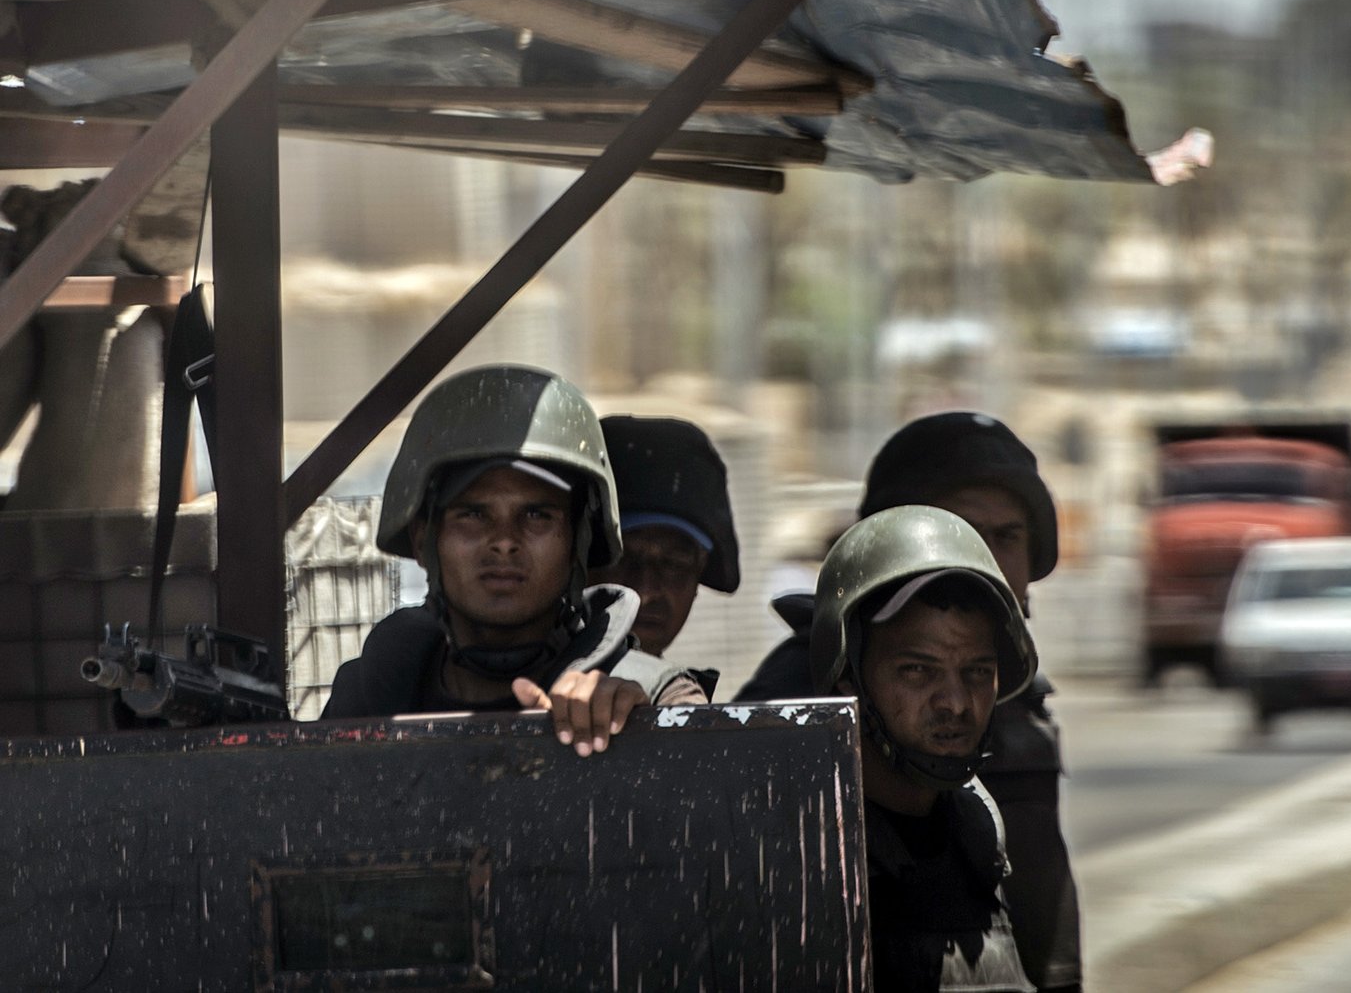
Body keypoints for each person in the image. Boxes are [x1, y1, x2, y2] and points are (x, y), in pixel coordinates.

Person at [737, 412, 1082, 992]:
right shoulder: (798, 748)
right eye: (918, 670)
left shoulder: (994, 776)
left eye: (1007, 536)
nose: (954, 700)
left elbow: (1045, 931)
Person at [322, 365, 706, 752]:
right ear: (424, 540)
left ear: (578, 543)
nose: (504, 541)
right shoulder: (366, 702)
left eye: (537, 515)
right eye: (473, 514)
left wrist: (641, 730)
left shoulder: (654, 695)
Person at [812, 504, 1038, 992]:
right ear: (849, 675)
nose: (956, 703)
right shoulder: (807, 849)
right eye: (918, 670)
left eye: (976, 671)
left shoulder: (979, 830)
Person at [588, 415, 740, 661]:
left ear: (699, 575)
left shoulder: (684, 695)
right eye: (622, 557)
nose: (646, 592)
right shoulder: (527, 693)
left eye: (675, 563)